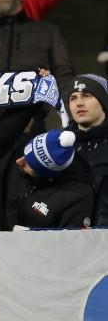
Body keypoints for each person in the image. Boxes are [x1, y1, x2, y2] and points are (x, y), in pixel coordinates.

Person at [14, 130, 93, 229]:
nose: (18, 161)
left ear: (48, 173)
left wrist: (30, 233)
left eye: (29, 163)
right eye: (24, 155)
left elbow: (72, 238)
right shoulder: (30, 176)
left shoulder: (79, 196)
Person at [67, 73, 108, 226]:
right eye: (73, 98)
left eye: (87, 96)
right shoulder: (58, 145)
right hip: (70, 236)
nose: (79, 103)